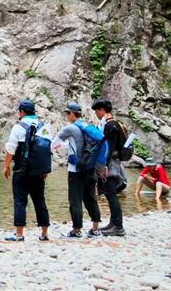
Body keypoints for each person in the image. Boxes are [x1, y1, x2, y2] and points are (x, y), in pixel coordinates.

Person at [3, 99, 51, 242]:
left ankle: (19, 234)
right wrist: (45, 170)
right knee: (40, 200)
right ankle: (44, 233)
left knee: (19, 201)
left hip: (21, 170)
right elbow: (47, 148)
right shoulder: (44, 127)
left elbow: (11, 149)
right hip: (39, 172)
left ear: (22, 112)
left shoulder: (18, 127)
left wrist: (6, 166)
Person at [52, 102, 102, 238]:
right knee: (91, 198)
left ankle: (76, 230)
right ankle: (95, 228)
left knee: (75, 200)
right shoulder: (88, 127)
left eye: (67, 113)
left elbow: (53, 144)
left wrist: (65, 148)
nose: (67, 116)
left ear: (73, 114)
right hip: (90, 168)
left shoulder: (70, 129)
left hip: (76, 170)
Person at [91, 99, 127, 237]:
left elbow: (109, 147)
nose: (96, 114)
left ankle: (118, 226)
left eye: (96, 111)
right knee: (110, 193)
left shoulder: (110, 125)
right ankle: (113, 223)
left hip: (111, 164)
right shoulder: (116, 124)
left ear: (101, 110)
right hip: (114, 162)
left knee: (111, 194)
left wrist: (103, 165)